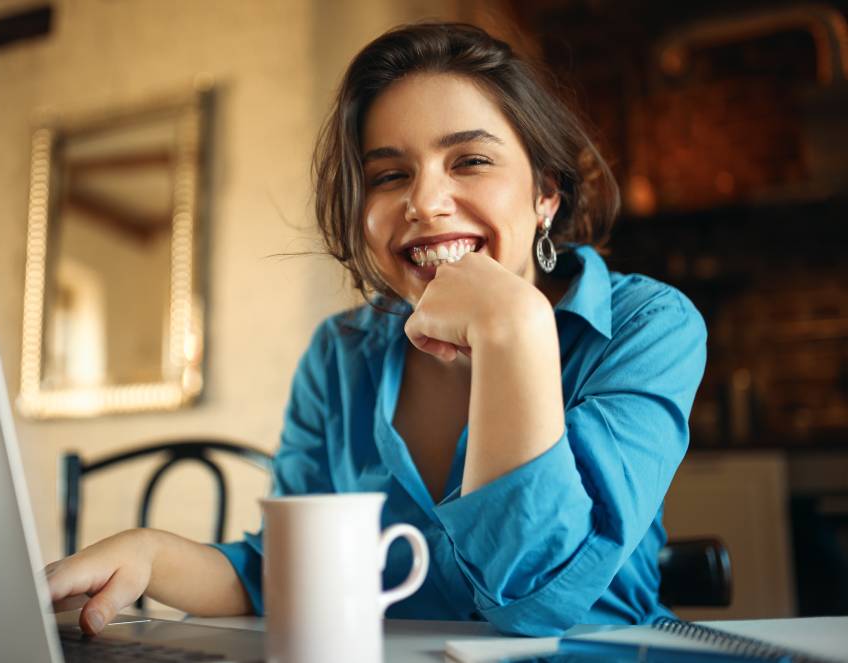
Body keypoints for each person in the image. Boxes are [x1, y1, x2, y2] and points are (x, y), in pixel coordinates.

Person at [46, 22, 707, 637]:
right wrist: (151, 552)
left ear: (546, 193)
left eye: (469, 161)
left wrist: (516, 330)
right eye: (390, 175)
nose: (423, 202)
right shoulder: (340, 355)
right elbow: (290, 573)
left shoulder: (647, 326)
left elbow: (536, 601)